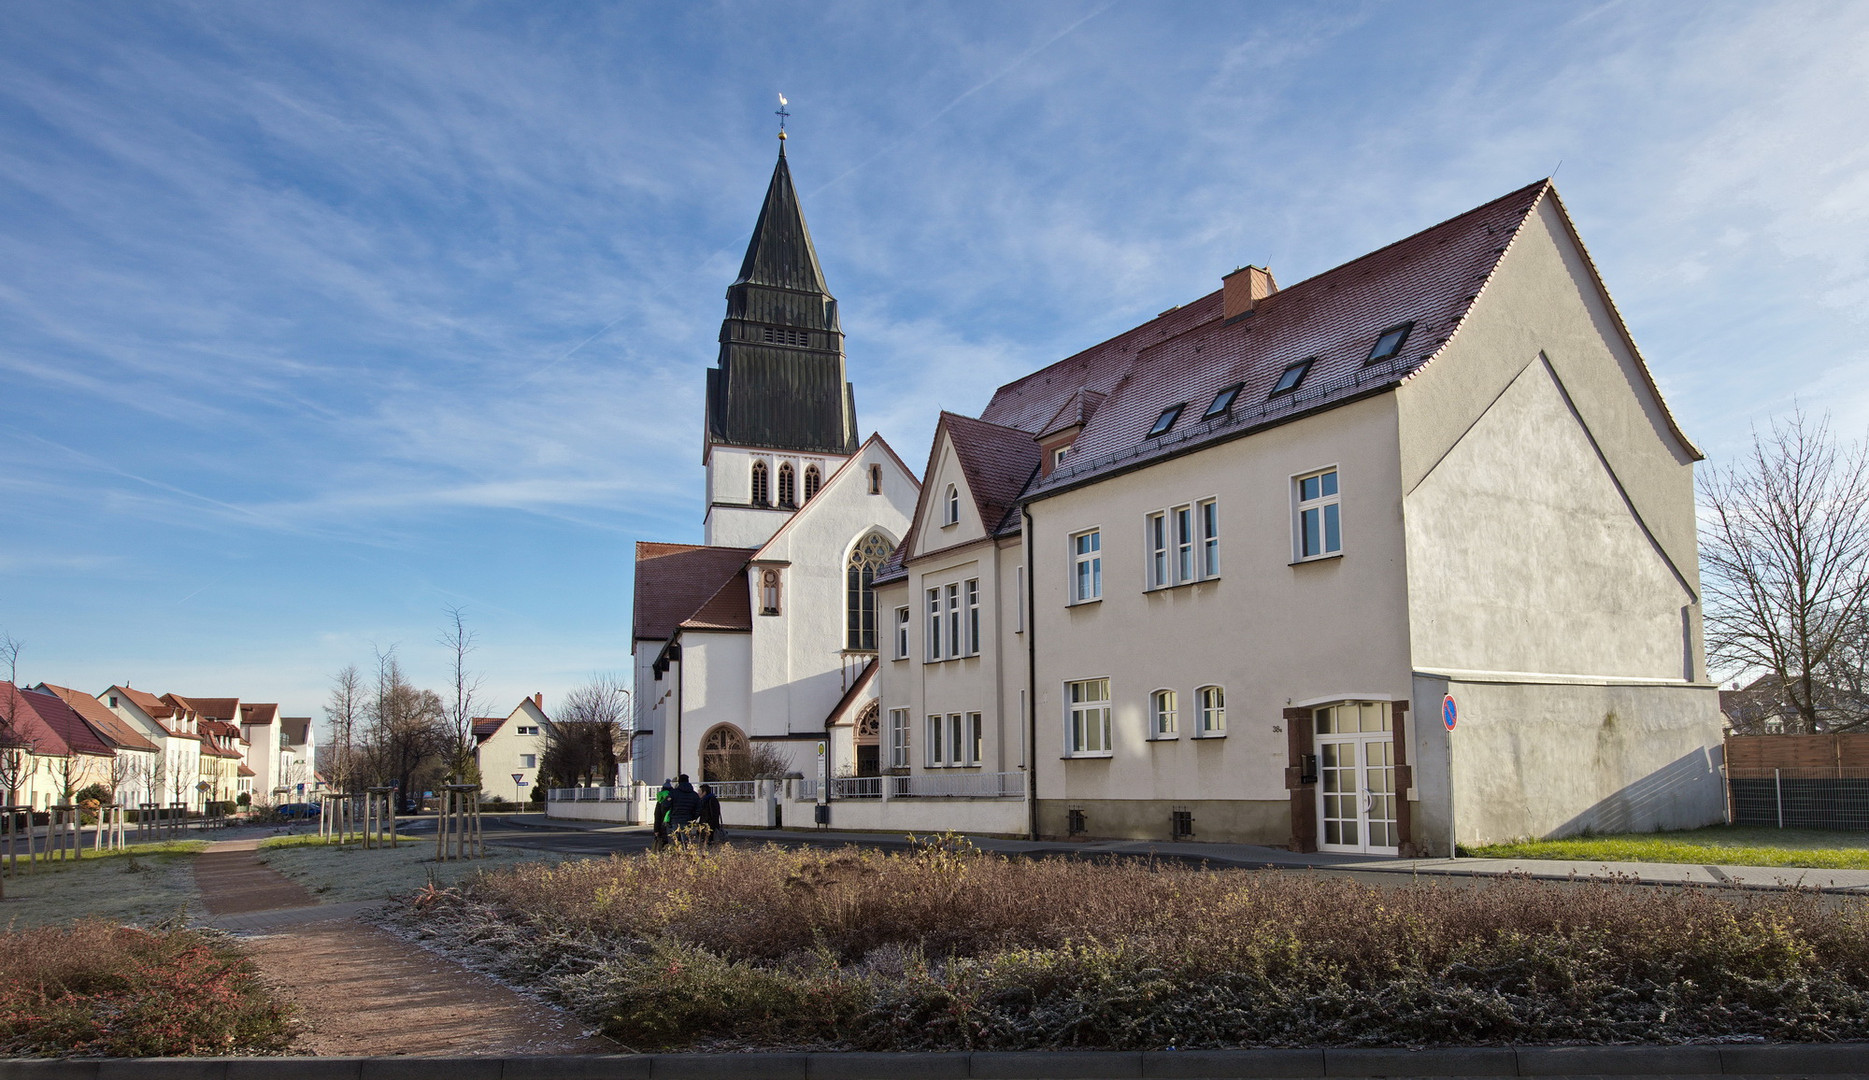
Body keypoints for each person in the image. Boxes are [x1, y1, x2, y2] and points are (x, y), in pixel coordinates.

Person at [666, 773, 702, 840]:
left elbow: (666, 805)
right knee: (686, 840)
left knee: (675, 841)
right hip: (688, 820)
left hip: (675, 820)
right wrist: (693, 818)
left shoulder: (673, 793)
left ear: (679, 782)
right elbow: (699, 809)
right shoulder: (694, 795)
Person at [651, 779, 672, 850]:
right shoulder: (673, 798)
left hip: (662, 825)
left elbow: (657, 816)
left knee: (663, 844)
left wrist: (656, 830)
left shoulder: (660, 801)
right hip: (672, 824)